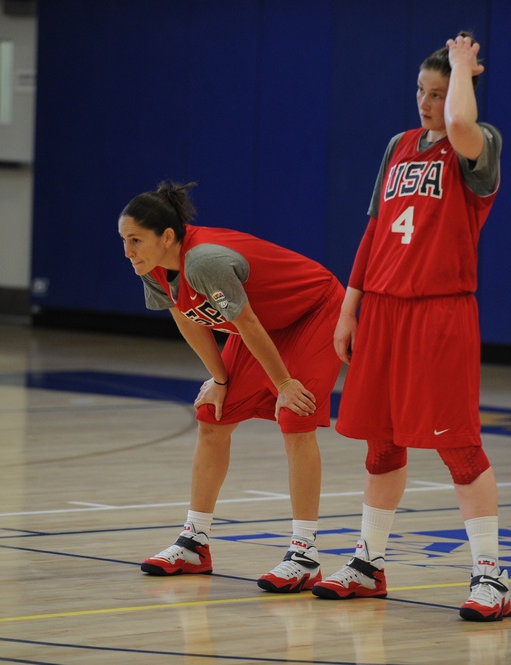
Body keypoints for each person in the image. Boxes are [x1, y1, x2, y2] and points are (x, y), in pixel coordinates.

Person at [310, 33, 511, 622]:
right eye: (422, 92)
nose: (427, 104)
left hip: (441, 311)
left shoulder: (478, 146)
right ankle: (368, 564)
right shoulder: (398, 146)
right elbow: (373, 233)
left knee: (458, 445)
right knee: (382, 440)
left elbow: (460, 123)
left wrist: (460, 72)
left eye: (439, 93)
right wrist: (351, 309)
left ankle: (490, 576)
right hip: (385, 310)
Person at [118, 181, 345, 593]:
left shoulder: (204, 261)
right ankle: (195, 543)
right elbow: (188, 319)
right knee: (211, 415)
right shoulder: (151, 268)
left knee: (295, 415)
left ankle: (305, 555)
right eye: (124, 240)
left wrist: (285, 384)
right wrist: (220, 380)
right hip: (263, 323)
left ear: (167, 237)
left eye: (135, 240)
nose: (127, 251)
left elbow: (248, 325)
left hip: (315, 311)